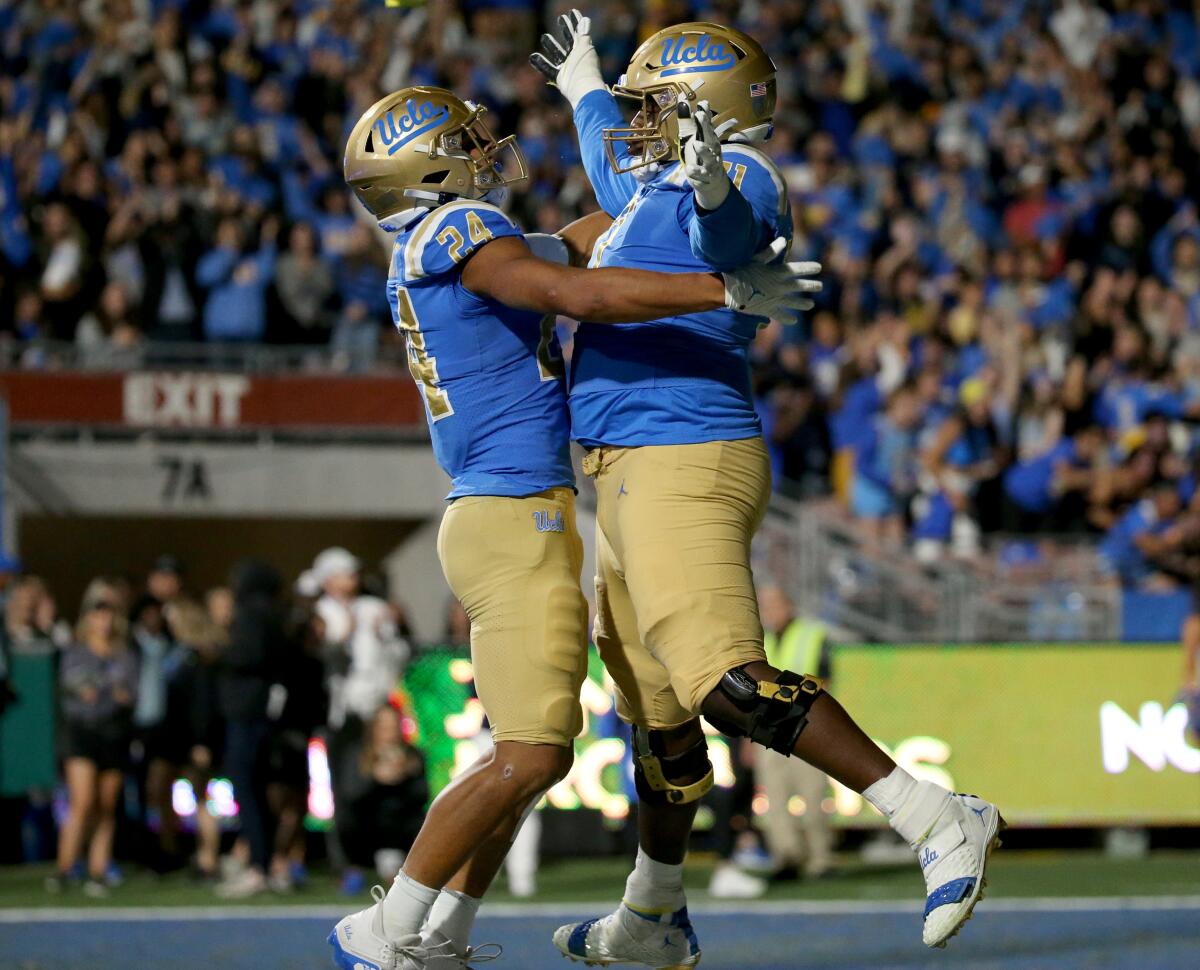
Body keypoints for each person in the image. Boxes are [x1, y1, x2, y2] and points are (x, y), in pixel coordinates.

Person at [533, 14, 1002, 963]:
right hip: (627, 465)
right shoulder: (659, 182)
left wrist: (708, 183)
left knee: (726, 685)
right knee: (658, 721)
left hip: (682, 453)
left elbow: (733, 228)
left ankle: (933, 815)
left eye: (655, 106)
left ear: (704, 111)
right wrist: (583, 89)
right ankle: (654, 912)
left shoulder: (737, 177)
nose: (639, 124)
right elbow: (614, 176)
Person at [328, 84, 818, 970]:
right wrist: (722, 285)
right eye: (465, 142)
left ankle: (442, 933)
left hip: (512, 512)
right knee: (528, 753)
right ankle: (386, 930)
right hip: (508, 516)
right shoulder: (455, 231)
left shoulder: (444, 238)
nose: (487, 150)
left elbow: (591, 243)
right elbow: (573, 292)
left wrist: (667, 192)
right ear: (429, 166)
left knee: (536, 753)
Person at [314, 546, 408, 895]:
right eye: (343, 573)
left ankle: (389, 860)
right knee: (345, 790)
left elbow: (397, 655)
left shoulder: (374, 608)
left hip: (378, 713)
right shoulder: (320, 612)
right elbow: (321, 660)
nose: (351, 579)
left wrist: (389, 633)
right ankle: (348, 864)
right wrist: (342, 636)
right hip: (343, 715)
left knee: (386, 785)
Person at [49, 598, 138, 896]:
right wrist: (95, 690)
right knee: (83, 800)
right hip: (82, 732)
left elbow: (129, 693)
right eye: (99, 617)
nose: (105, 623)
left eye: (109, 617)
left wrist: (114, 694)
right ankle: (65, 867)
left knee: (106, 804)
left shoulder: (124, 655)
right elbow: (74, 687)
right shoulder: (75, 653)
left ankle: (98, 870)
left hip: (113, 733)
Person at [215, 560, 287, 898]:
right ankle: (265, 862)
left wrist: (219, 650)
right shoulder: (274, 614)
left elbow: (248, 656)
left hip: (246, 713)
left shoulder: (250, 616)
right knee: (256, 789)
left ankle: (259, 866)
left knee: (246, 787)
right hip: (260, 712)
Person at [755, 585, 835, 882]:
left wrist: (785, 700)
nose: (771, 611)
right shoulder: (761, 639)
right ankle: (786, 856)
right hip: (768, 730)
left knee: (812, 796)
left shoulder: (812, 635)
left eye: (775, 604)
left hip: (806, 727)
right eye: (766, 605)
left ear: (789, 605)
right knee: (774, 799)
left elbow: (823, 680)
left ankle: (820, 858)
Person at [164, 597, 227, 880]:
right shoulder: (191, 655)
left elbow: (201, 703)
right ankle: (204, 856)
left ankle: (208, 859)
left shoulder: (196, 658)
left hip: (197, 739)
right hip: (190, 736)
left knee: (202, 799)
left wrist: (200, 741)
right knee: (200, 798)